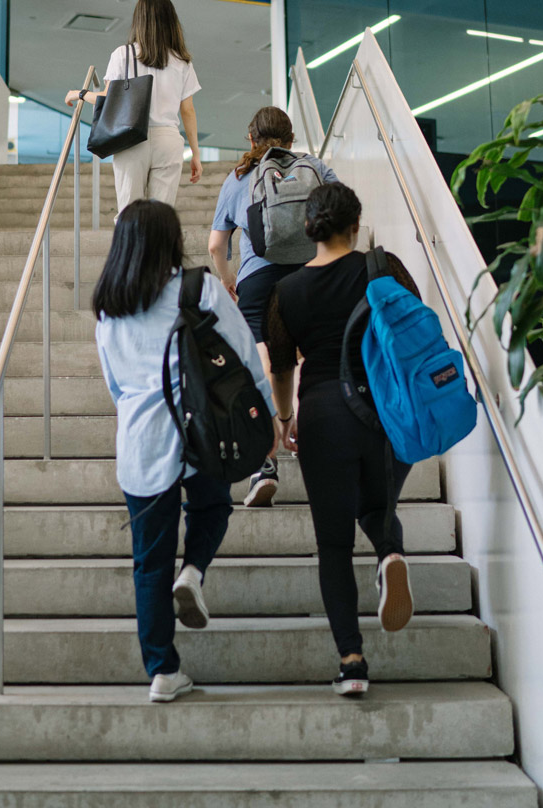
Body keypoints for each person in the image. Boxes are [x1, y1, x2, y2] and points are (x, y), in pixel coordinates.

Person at [93, 199, 276, 703]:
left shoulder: (109, 309)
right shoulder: (199, 288)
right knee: (214, 506)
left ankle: (163, 671)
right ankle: (193, 572)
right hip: (202, 432)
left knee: (148, 562)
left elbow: (115, 384)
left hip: (140, 443)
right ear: (171, 240)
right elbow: (243, 355)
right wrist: (269, 417)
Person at [265, 180, 417, 697]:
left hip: (324, 413)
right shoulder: (381, 266)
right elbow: (416, 322)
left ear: (309, 230)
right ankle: (390, 553)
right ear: (355, 225)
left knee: (332, 542)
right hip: (386, 411)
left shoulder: (286, 292)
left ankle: (352, 662)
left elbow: (282, 367)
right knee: (377, 503)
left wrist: (285, 417)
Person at [208, 106, 335, 507]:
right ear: (292, 138)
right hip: (308, 276)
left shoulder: (239, 177)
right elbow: (344, 215)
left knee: (263, 363)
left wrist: (229, 279)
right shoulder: (314, 167)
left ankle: (264, 462)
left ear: (251, 139)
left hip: (258, 279)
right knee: (300, 362)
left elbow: (216, 244)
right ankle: (309, 441)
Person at [66, 0, 202, 214]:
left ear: (139, 20)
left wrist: (79, 93)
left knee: (129, 214)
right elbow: (188, 111)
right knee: (161, 217)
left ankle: (131, 249)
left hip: (130, 137)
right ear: (171, 21)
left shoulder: (123, 55)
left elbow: (107, 99)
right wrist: (195, 154)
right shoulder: (182, 61)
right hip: (168, 140)